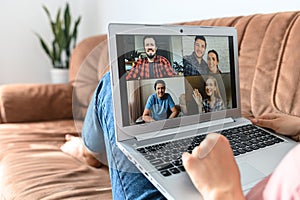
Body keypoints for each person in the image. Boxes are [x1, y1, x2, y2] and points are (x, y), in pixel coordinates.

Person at [61, 71, 300, 199]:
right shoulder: (155, 99)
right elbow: (146, 115)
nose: (161, 91)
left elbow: (175, 110)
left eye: (163, 88)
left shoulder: (170, 99)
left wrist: (223, 191)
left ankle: (88, 148)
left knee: (112, 82)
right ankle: (90, 148)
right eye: (159, 88)